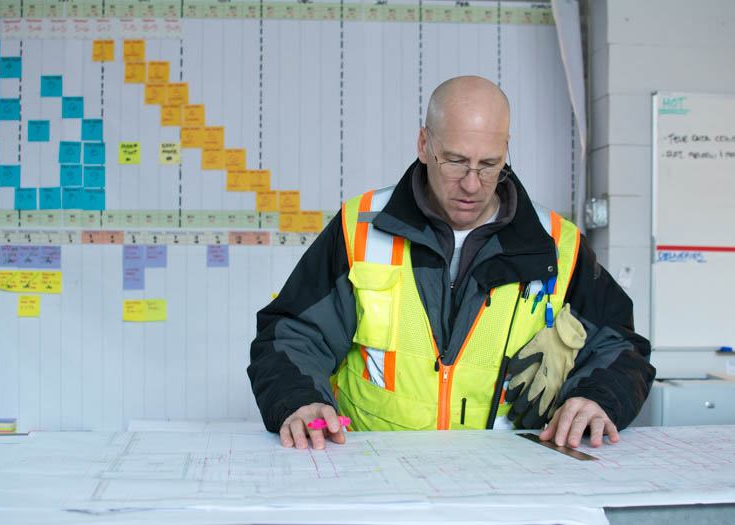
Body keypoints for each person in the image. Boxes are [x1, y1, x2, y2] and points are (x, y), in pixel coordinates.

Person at [248, 76, 655, 451]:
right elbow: (291, 333)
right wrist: (298, 400)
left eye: (490, 164)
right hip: (376, 471)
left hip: (509, 478)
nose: (473, 184)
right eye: (456, 161)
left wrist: (595, 397)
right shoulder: (360, 227)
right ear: (424, 144)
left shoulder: (556, 243)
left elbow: (620, 345)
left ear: (506, 150)